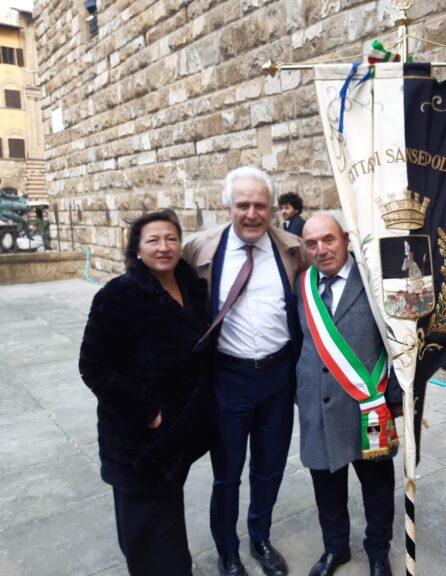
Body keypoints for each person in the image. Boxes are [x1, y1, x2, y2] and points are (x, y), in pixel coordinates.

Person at [183, 168, 305, 576]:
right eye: (243, 205)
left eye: (260, 205)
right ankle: (228, 550)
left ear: (272, 208)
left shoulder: (292, 249)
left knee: (269, 468)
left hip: (277, 377)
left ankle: (260, 538)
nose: (252, 214)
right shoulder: (198, 249)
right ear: (228, 207)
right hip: (228, 379)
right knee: (227, 474)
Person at [79, 210, 213, 576]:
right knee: (145, 531)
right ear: (137, 249)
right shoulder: (118, 295)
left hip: (175, 435)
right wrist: (147, 412)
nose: (163, 247)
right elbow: (94, 367)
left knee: (167, 516)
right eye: (153, 240)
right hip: (136, 441)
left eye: (171, 238)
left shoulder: (190, 286)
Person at [296, 214, 402, 576]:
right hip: (318, 406)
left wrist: (395, 396)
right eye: (311, 244)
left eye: (328, 239)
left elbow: (400, 342)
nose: (321, 250)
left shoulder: (373, 280)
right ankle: (335, 548)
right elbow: (298, 339)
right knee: (326, 486)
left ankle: (377, 552)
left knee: (377, 486)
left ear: (344, 238)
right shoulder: (303, 285)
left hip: (367, 408)